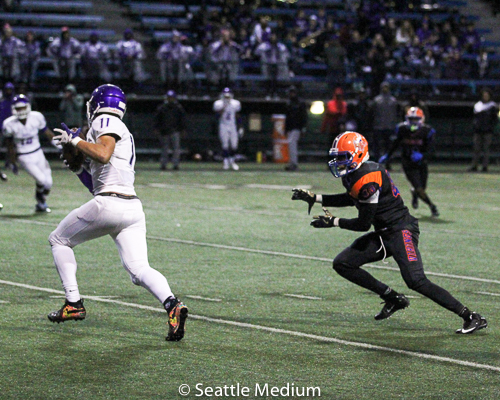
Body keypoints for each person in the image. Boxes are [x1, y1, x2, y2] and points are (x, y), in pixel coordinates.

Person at [291, 131, 487, 335]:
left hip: (401, 230)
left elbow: (363, 224)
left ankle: (471, 316)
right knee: (343, 263)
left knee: (416, 280)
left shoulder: (368, 178)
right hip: (385, 233)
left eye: (343, 157)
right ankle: (392, 298)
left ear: (358, 154)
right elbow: (352, 197)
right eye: (337, 157)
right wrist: (316, 198)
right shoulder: (357, 173)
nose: (339, 162)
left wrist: (334, 222)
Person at [48, 84, 188, 342]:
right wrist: (76, 163)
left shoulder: (104, 120)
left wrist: (76, 141)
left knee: (58, 239)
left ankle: (73, 302)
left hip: (110, 204)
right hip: (131, 208)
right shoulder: (118, 127)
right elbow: (96, 184)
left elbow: (103, 154)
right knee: (139, 269)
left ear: (97, 104)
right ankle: (172, 304)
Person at [379, 107, 439, 217]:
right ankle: (432, 206)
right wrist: (388, 155)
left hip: (421, 163)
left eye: (416, 119)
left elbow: (432, 150)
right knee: (420, 189)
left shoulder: (427, 131)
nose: (413, 122)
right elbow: (396, 143)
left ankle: (414, 192)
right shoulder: (402, 129)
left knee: (422, 188)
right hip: (407, 163)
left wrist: (423, 155)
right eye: (411, 119)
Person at [2, 94, 55, 212]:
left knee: (48, 183)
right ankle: (40, 200)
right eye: (18, 108)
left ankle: (41, 202)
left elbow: (47, 133)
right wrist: (12, 162)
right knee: (41, 180)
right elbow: (10, 145)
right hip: (24, 156)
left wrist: (59, 145)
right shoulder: (9, 124)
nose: (21, 111)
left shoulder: (36, 117)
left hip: (38, 152)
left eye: (23, 108)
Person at [154, 90, 187, 171]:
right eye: (169, 97)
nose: (170, 99)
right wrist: (156, 128)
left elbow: (182, 119)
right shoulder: (162, 108)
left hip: (175, 130)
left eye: (171, 98)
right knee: (164, 148)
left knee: (176, 149)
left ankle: (175, 164)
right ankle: (163, 164)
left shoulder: (178, 108)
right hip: (164, 131)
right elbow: (157, 119)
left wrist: (183, 129)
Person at [469, 88, 498, 172]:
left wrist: (490, 127)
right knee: (476, 149)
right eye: (484, 95)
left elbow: (495, 119)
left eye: (487, 95)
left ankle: (485, 167)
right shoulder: (478, 105)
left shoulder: (492, 106)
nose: (485, 97)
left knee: (486, 149)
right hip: (478, 131)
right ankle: (474, 166)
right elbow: (475, 118)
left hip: (487, 131)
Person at [213, 87, 242, 170]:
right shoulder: (218, 103)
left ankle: (232, 161)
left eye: (228, 96)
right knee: (225, 144)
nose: (227, 98)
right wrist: (224, 107)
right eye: (225, 96)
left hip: (232, 125)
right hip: (223, 125)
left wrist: (240, 126)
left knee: (234, 145)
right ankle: (225, 162)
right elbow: (217, 116)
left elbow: (237, 115)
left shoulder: (235, 103)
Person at [371, 81, 399, 164]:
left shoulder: (393, 101)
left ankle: (388, 163)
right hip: (378, 126)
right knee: (377, 146)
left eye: (386, 87)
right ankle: (376, 162)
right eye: (383, 87)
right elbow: (373, 113)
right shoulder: (377, 100)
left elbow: (395, 114)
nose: (385, 89)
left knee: (389, 146)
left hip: (389, 126)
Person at [283, 86, 308, 171]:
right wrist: (286, 129)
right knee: (290, 145)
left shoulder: (300, 103)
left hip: (297, 127)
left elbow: (304, 116)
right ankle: (291, 163)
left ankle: (294, 164)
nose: (291, 94)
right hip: (291, 127)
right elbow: (287, 118)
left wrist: (303, 128)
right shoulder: (289, 103)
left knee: (292, 144)